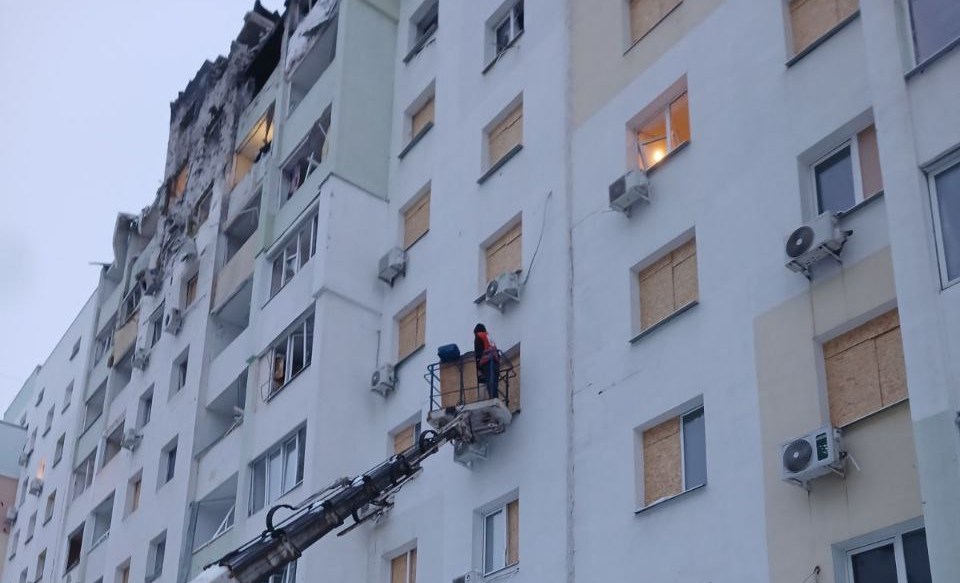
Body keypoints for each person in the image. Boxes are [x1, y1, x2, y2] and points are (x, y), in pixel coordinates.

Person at [473, 323, 500, 400]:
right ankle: (495, 398)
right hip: (495, 362)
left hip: (487, 363)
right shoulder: (489, 337)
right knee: (494, 383)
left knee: (490, 382)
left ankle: (492, 398)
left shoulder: (478, 336)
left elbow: (478, 352)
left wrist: (477, 365)